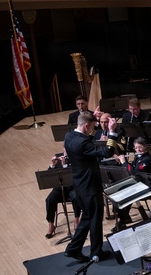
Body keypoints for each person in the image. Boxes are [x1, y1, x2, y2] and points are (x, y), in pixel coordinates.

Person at [63, 112, 120, 262]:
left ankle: (73, 249)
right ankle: (96, 252)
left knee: (88, 217)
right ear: (86, 126)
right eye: (92, 127)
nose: (93, 131)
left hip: (79, 185)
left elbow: (86, 138)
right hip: (90, 186)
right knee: (95, 219)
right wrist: (112, 132)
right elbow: (107, 151)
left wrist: (90, 117)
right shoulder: (83, 143)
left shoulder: (69, 136)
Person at [44, 152, 81, 239]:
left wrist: (65, 165)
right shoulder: (57, 158)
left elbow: (75, 175)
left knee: (76, 197)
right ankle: (51, 225)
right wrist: (52, 165)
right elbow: (48, 176)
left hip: (72, 189)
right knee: (49, 199)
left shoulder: (75, 158)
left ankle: (76, 220)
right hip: (59, 189)